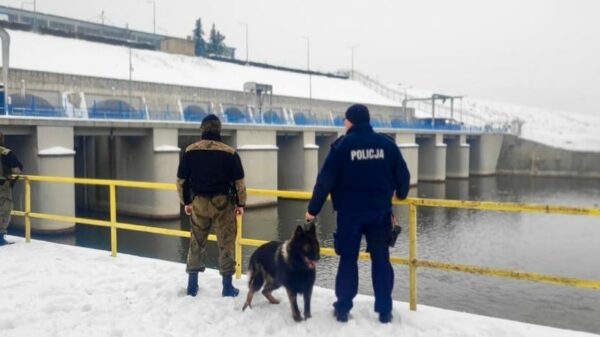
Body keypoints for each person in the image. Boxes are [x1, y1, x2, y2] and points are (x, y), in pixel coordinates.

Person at [305, 104, 410, 323]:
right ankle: (384, 310)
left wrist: (312, 210)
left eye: (345, 120)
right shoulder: (386, 144)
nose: (344, 123)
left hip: (349, 215)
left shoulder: (341, 147)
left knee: (348, 260)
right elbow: (402, 173)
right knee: (381, 260)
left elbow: (324, 181)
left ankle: (343, 308)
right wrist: (401, 194)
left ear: (351, 121)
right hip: (379, 213)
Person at [176, 114, 247, 297]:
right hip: (223, 203)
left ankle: (192, 286)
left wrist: (187, 202)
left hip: (199, 202)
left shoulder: (190, 151)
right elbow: (239, 183)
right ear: (219, 130)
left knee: (196, 242)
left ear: (202, 129)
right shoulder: (230, 153)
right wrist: (240, 204)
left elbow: (181, 180)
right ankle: (227, 287)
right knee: (226, 243)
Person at [0, 131, 23, 246]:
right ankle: (0, 239)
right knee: (4, 211)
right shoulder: (6, 153)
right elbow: (18, 168)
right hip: (3, 187)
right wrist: (11, 181)